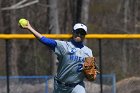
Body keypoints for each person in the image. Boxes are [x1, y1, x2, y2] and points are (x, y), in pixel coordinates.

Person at [21, 21, 98, 93]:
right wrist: (30, 28)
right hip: (60, 86)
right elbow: (45, 40)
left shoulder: (88, 52)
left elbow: (90, 73)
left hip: (77, 86)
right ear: (73, 32)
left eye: (82, 33)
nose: (79, 35)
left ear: (85, 35)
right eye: (77, 32)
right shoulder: (64, 46)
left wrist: (91, 73)